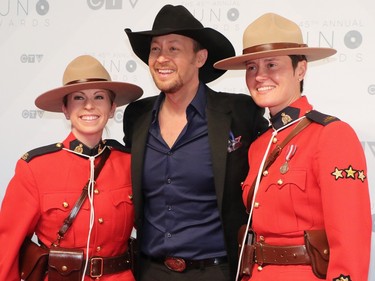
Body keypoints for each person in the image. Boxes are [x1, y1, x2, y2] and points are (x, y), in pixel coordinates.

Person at [214, 13, 372, 281]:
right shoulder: (259, 145)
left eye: (272, 64)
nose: (259, 76)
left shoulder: (332, 135)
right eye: (252, 67)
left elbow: (351, 239)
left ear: (301, 69)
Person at [122, 4, 268, 281]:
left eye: (174, 48)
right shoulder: (137, 116)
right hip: (150, 270)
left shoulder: (240, 112)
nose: (161, 58)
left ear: (200, 58)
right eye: (155, 49)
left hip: (217, 271)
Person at [0, 55, 143, 280]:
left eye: (99, 97)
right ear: (65, 109)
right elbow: (8, 245)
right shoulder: (35, 168)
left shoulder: (131, 163)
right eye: (78, 98)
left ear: (112, 107)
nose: (89, 105)